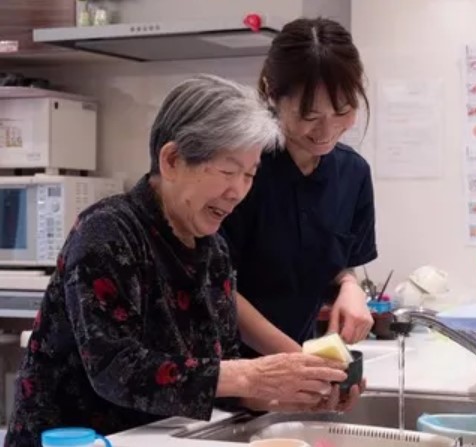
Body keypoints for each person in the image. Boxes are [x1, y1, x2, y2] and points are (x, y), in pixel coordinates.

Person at [5, 74, 353, 447]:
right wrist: (251, 376)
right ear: (171, 160)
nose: (238, 192)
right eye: (227, 171)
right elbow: (114, 369)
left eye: (249, 175)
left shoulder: (213, 249)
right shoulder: (107, 232)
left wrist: (295, 392)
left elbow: (216, 374)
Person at [221, 17, 377, 357]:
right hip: (223, 372)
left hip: (293, 363)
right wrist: (292, 361)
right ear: (270, 93)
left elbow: (335, 259)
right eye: (309, 115)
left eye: (343, 111)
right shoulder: (241, 169)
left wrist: (350, 286)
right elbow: (216, 285)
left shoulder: (353, 174)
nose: (327, 130)